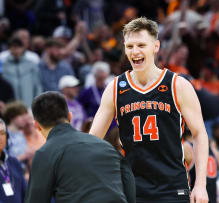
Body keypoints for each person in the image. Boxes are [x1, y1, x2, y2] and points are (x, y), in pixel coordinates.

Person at [89, 17, 209, 202]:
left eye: (141, 45)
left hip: (172, 188)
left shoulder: (177, 85)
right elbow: (92, 140)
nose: (135, 52)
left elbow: (200, 133)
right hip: (132, 189)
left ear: (156, 46)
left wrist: (200, 185)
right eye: (129, 46)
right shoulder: (116, 87)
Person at [25, 91, 135, 203]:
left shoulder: (45, 153)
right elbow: (129, 183)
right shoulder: (106, 146)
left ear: (36, 125)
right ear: (70, 116)